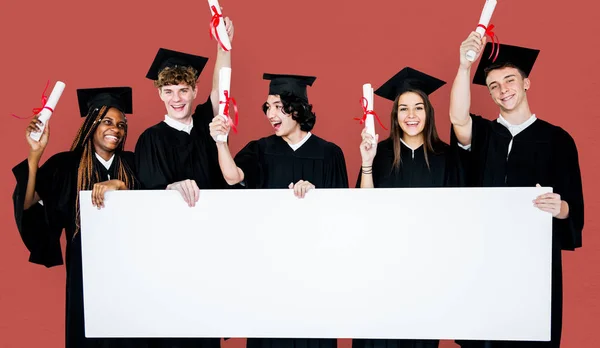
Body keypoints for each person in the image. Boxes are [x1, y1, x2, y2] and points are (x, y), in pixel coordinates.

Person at [449, 34, 584, 348]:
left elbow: (571, 207)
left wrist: (559, 206)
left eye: (509, 80)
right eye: (494, 85)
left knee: (530, 335)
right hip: (485, 256)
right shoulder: (483, 134)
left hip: (533, 259)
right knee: (485, 337)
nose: (502, 90)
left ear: (526, 84)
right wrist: (463, 66)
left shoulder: (557, 139)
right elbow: (457, 117)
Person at [12, 87, 143, 348]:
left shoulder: (132, 163)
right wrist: (35, 154)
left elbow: (154, 204)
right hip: (85, 274)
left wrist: (120, 186)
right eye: (107, 121)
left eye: (121, 124)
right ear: (92, 123)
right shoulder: (66, 165)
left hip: (132, 275)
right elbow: (30, 205)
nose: (115, 129)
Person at [135, 17, 234, 206]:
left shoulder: (208, 125)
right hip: (173, 227)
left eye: (183, 90)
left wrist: (224, 46)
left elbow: (220, 88)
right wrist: (171, 188)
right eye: (168, 92)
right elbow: (148, 194)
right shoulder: (151, 139)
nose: (176, 99)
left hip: (216, 219)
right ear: (160, 94)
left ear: (194, 91)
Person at [210, 73, 348, 196]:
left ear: (297, 110)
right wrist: (220, 142)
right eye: (268, 107)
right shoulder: (260, 150)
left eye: (277, 106)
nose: (270, 115)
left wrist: (314, 197)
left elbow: (340, 209)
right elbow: (232, 177)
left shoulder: (329, 154)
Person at [357, 66, 462, 192]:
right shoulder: (379, 154)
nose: (411, 115)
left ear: (428, 113)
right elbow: (364, 205)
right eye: (403, 108)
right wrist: (367, 162)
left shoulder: (446, 156)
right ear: (396, 115)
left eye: (418, 108)